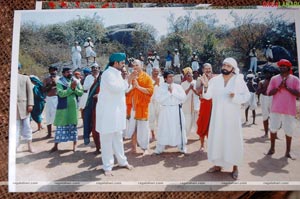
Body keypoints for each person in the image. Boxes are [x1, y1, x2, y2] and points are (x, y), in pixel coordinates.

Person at [201, 58, 250, 180]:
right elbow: (207, 96)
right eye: (224, 65)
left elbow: (247, 96)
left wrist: (236, 97)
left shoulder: (238, 80)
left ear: (233, 69)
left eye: (228, 66)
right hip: (217, 118)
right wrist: (206, 86)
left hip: (232, 118)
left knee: (232, 141)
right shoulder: (215, 80)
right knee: (218, 139)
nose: (225, 67)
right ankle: (218, 165)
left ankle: (235, 167)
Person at [96, 52, 135, 176]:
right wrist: (128, 80)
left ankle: (122, 162)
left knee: (118, 137)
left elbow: (124, 90)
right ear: (116, 62)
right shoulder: (107, 74)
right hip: (108, 112)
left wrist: (130, 82)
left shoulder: (117, 74)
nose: (124, 65)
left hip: (117, 112)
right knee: (107, 139)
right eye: (122, 63)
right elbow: (116, 88)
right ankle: (107, 166)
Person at [266, 59, 300, 159]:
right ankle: (272, 148)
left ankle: (288, 151)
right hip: (276, 108)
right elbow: (269, 93)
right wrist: (279, 87)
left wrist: (287, 88)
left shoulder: (295, 79)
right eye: (281, 66)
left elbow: (298, 94)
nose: (282, 67)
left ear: (289, 68)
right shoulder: (274, 79)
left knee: (289, 130)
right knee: (273, 128)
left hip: (289, 109)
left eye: (284, 66)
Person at [50, 67, 84, 152]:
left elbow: (80, 93)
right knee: (60, 127)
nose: (70, 73)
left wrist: (74, 88)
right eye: (68, 72)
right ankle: (55, 146)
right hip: (63, 108)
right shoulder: (60, 82)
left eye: (71, 72)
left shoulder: (76, 81)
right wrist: (71, 89)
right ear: (63, 73)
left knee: (73, 127)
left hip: (73, 108)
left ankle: (74, 145)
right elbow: (61, 94)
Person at [154, 70, 187, 154]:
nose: (172, 78)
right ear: (165, 78)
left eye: (172, 76)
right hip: (166, 111)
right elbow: (158, 99)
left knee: (179, 128)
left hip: (176, 110)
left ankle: (181, 147)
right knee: (164, 128)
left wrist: (173, 92)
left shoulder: (178, 87)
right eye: (169, 76)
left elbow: (183, 97)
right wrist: (168, 93)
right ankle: (160, 148)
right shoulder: (161, 87)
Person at [125, 59, 154, 155]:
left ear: (142, 66)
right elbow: (125, 91)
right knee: (132, 128)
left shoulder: (147, 77)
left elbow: (150, 91)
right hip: (132, 107)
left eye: (137, 65)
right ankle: (133, 147)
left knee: (143, 128)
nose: (135, 67)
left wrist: (138, 87)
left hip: (142, 107)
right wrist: (130, 81)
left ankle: (145, 148)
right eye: (133, 65)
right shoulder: (130, 77)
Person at [196, 63, 215, 152]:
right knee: (203, 123)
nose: (208, 70)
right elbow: (197, 91)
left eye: (209, 68)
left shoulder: (216, 78)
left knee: (213, 124)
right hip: (204, 104)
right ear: (203, 70)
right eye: (206, 69)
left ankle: (212, 146)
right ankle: (202, 145)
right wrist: (205, 84)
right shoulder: (200, 79)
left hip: (215, 104)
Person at [17, 64, 34, 152]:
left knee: (27, 127)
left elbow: (30, 92)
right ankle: (15, 146)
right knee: (15, 129)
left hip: (24, 107)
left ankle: (29, 146)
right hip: (13, 110)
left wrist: (30, 104)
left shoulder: (25, 78)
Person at [83, 71, 101, 154]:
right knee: (95, 128)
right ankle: (98, 147)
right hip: (95, 109)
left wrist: (101, 95)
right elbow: (90, 95)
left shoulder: (108, 85)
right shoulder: (95, 84)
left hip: (107, 110)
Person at [181, 67, 199, 138]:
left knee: (197, 121)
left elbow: (199, 94)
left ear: (192, 75)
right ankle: (185, 136)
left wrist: (193, 89)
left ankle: (199, 135)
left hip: (196, 104)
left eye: (190, 74)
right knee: (187, 121)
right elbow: (182, 95)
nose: (189, 76)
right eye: (187, 75)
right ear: (185, 76)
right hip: (186, 105)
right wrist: (189, 88)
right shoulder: (183, 84)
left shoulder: (196, 82)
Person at [42, 66, 59, 138]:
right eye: (52, 71)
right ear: (49, 72)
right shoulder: (46, 79)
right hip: (49, 98)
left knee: (57, 115)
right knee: (48, 116)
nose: (53, 72)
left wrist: (56, 84)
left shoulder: (59, 79)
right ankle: (49, 133)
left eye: (55, 70)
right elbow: (43, 90)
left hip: (58, 98)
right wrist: (50, 85)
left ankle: (58, 132)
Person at [256, 69, 273, 138]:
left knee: (273, 117)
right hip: (264, 98)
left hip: (272, 98)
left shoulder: (274, 82)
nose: (267, 75)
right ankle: (266, 133)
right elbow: (257, 92)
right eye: (266, 74)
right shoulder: (261, 82)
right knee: (265, 116)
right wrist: (265, 87)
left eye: (269, 74)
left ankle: (274, 134)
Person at [148, 67, 164, 141]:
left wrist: (159, 83)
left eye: (157, 71)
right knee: (151, 118)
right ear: (152, 72)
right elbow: (148, 89)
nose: (156, 73)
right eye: (154, 71)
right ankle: (153, 134)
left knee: (160, 118)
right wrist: (155, 83)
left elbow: (163, 89)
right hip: (151, 101)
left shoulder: (162, 79)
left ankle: (160, 135)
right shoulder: (148, 79)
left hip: (159, 101)